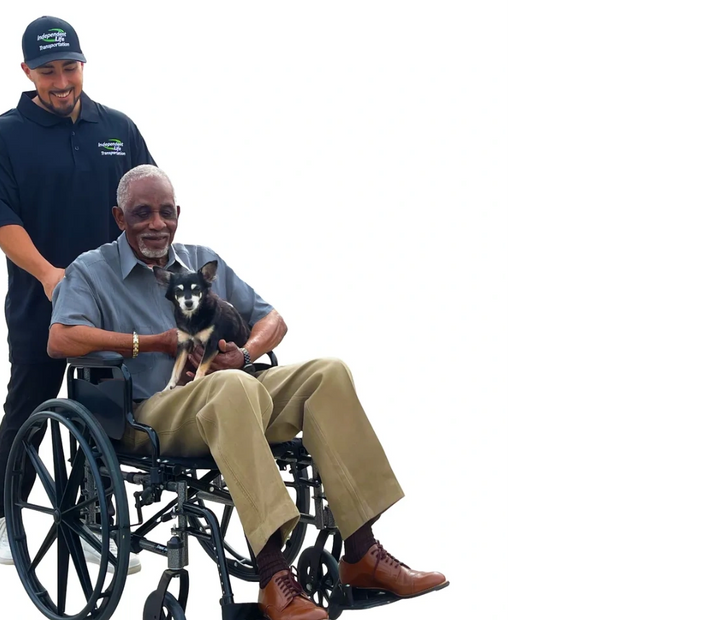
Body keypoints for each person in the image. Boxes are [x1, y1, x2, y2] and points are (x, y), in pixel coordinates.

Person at [48, 165, 448, 620]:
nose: (156, 224)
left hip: (231, 391)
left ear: (178, 214)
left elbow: (273, 319)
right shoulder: (91, 271)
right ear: (120, 218)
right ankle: (274, 575)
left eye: (166, 212)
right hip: (148, 411)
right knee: (232, 387)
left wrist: (244, 353)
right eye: (142, 213)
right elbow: (61, 339)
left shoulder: (201, 260)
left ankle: (361, 553)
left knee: (328, 373)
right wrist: (152, 342)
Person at [0, 15, 154, 571]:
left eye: (69, 67)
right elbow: (0, 221)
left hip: (114, 302)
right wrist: (50, 275)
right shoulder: (2, 137)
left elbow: (147, 205)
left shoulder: (117, 129)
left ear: (82, 65)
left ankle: (96, 517)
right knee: (29, 404)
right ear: (26, 71)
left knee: (106, 409)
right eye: (47, 70)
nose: (60, 81)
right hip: (41, 302)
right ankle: (2, 512)